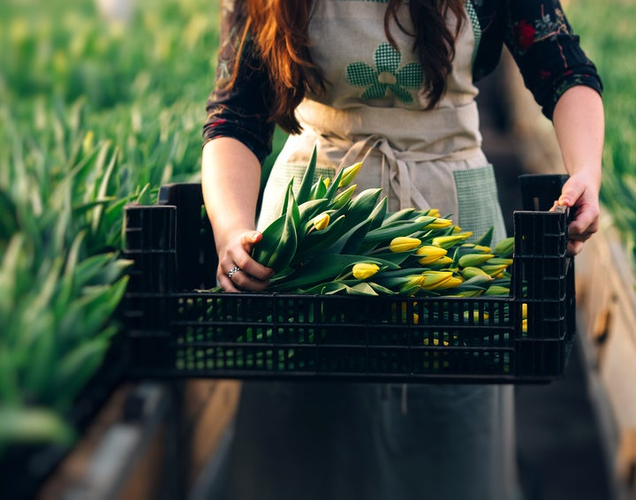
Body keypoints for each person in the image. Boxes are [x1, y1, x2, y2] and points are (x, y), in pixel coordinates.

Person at [201, 0, 604, 498]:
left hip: (450, 220)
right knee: (311, 434)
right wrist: (232, 228)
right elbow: (235, 116)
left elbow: (563, 69)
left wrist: (585, 170)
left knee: (444, 431)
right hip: (314, 226)